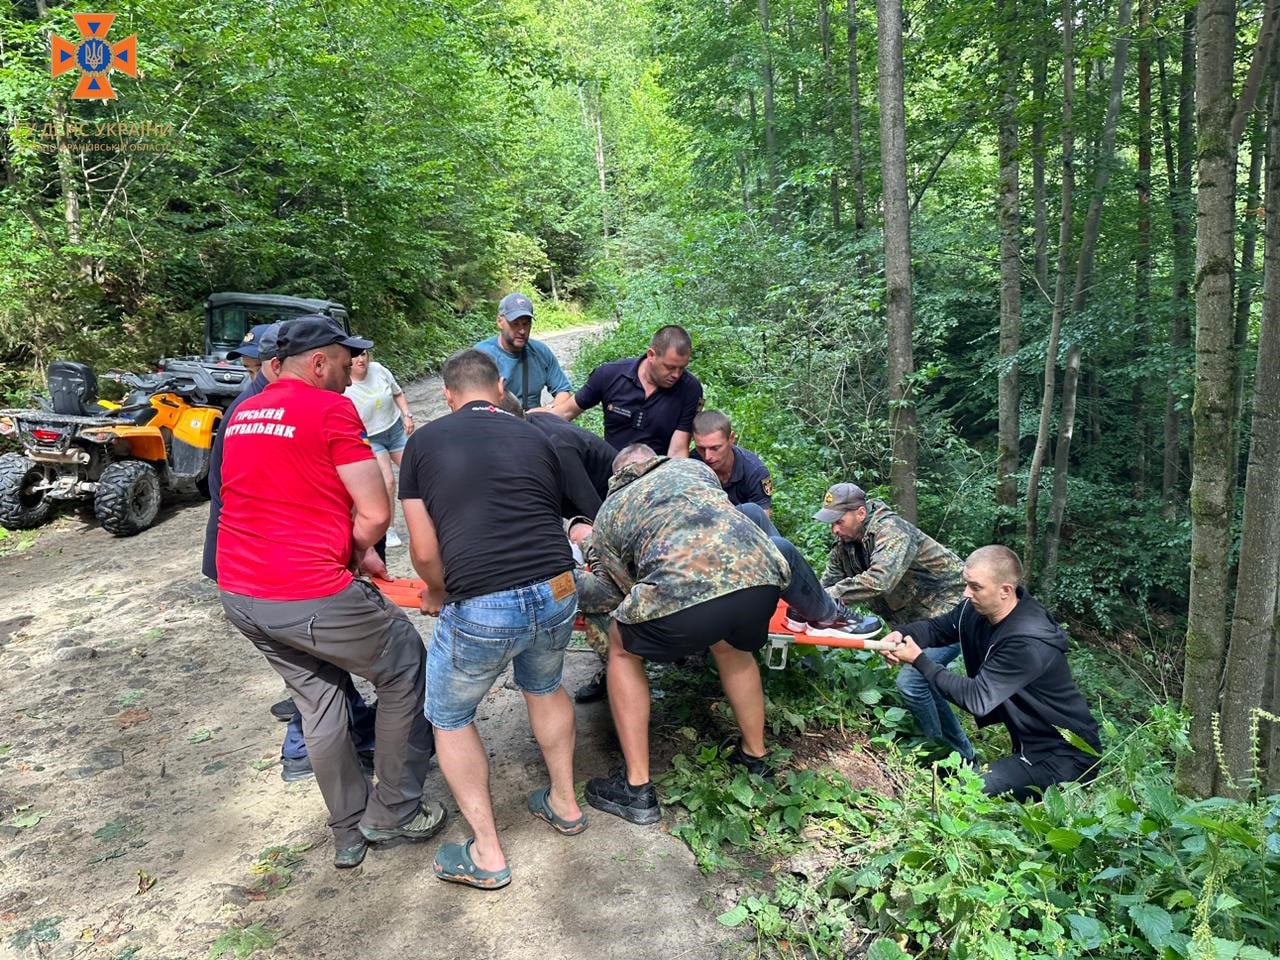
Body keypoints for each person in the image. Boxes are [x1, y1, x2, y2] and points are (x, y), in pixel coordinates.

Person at [217, 315, 444, 870]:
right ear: (319, 362)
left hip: (240, 592)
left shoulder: (246, 410)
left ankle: (347, 830)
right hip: (304, 589)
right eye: (344, 364)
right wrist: (354, 548)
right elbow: (375, 511)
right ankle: (393, 811)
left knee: (318, 699)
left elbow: (280, 490)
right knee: (403, 662)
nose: (350, 376)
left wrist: (338, 541)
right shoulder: (329, 408)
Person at [399, 348, 584, 891]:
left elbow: (425, 549)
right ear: (500, 388)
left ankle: (488, 853)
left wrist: (436, 592)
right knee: (546, 684)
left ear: (449, 397)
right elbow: (546, 516)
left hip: (483, 600)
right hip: (557, 587)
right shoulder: (534, 435)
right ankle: (565, 804)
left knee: (450, 717)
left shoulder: (422, 443)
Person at [574, 445, 791, 825]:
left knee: (622, 649)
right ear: (654, 460)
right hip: (763, 578)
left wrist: (575, 573)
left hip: (684, 597)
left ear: (617, 476)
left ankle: (637, 788)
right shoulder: (695, 470)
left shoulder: (611, 510)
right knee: (733, 648)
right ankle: (755, 757)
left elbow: (616, 591)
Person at [880, 546, 1102, 799]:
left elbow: (978, 698)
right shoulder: (976, 611)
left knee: (964, 791)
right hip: (1030, 744)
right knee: (961, 784)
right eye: (966, 584)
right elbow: (938, 629)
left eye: (975, 587)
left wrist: (919, 660)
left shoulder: (1027, 641)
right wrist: (902, 634)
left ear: (1005, 591)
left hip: (1066, 755)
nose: (966, 594)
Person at [812, 482, 975, 761]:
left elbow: (880, 580)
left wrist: (826, 596)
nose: (834, 530)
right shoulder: (844, 548)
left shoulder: (892, 530)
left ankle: (938, 757)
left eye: (839, 521)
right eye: (831, 523)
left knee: (911, 683)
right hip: (915, 624)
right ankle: (962, 756)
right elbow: (823, 588)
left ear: (860, 513)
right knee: (925, 681)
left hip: (953, 610)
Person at [550, 325, 702, 456]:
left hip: (658, 473)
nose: (676, 375)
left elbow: (678, 450)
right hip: (611, 468)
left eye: (682, 368)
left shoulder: (690, 389)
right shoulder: (609, 375)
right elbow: (565, 412)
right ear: (651, 355)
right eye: (670, 367)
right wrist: (532, 422)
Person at [344, 348, 414, 548]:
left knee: (416, 471)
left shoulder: (379, 370)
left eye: (364, 354)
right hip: (371, 437)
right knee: (388, 481)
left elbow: (397, 393)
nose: (361, 359)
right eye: (355, 356)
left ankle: (430, 516)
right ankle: (389, 529)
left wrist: (407, 415)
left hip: (395, 429)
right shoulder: (346, 384)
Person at [473, 292, 573, 411]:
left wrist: (547, 409)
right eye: (515, 324)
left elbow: (563, 392)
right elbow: (471, 404)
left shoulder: (541, 352)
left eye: (526, 324)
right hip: (496, 422)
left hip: (534, 422)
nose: (522, 331)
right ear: (500, 322)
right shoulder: (480, 356)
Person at [691, 410, 774, 518]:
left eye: (715, 448)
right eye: (701, 448)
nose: (707, 457)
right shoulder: (691, 463)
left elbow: (762, 520)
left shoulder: (755, 471)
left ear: (731, 439)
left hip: (745, 527)